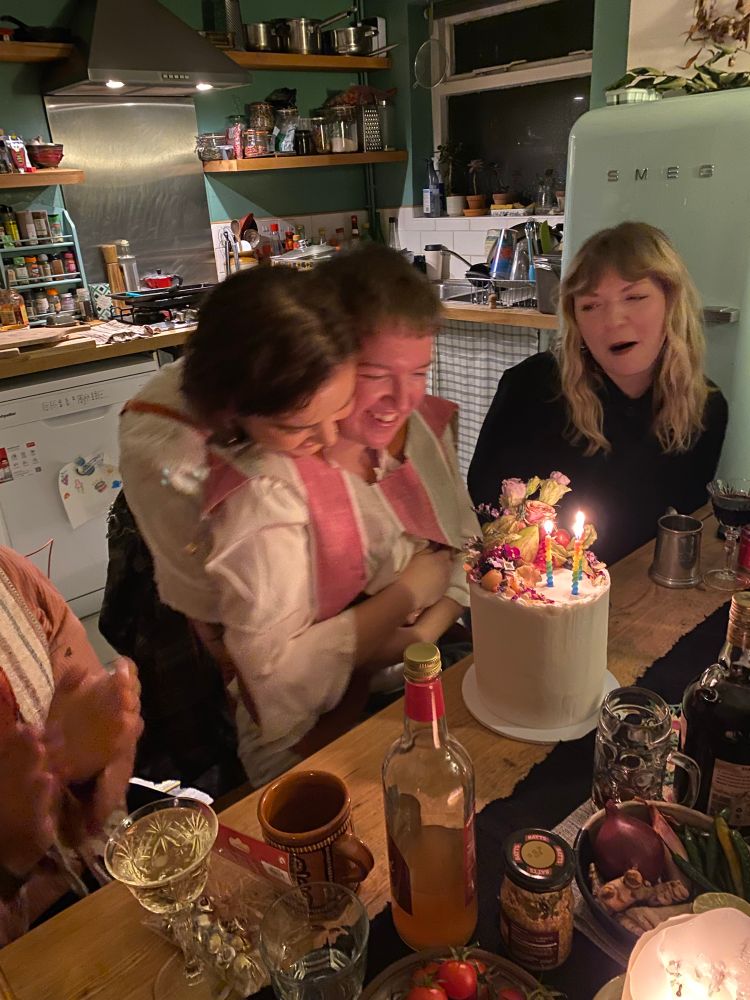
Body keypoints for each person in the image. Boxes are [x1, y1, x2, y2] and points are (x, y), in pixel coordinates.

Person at [202, 245, 479, 784]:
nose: (400, 400)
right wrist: (405, 605)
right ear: (327, 360)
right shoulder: (269, 488)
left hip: (419, 671)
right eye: (376, 374)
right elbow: (278, 687)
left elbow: (461, 551)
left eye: (419, 371)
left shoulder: (416, 432)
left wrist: (423, 631)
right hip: (308, 743)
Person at [104, 265, 358, 791]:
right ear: (234, 411)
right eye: (300, 428)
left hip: (266, 551)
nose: (331, 438)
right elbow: (216, 615)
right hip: (183, 569)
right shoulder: (166, 450)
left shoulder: (290, 372)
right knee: (221, 730)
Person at [468, 221, 728, 565]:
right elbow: (487, 511)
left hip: (642, 595)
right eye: (591, 305)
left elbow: (682, 527)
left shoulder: (706, 407)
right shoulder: (530, 389)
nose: (614, 321)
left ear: (671, 302)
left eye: (634, 297)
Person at [0, 545, 141, 945]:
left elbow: (102, 773)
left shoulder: (11, 576)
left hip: (102, 888)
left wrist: (96, 765)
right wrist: (8, 857)